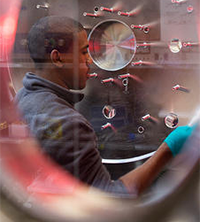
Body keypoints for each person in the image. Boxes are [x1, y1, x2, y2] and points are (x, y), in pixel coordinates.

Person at [15, 16, 196, 196]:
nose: (91, 61)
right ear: (58, 58)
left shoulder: (21, 99)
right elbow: (110, 199)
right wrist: (168, 148)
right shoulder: (68, 123)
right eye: (84, 52)